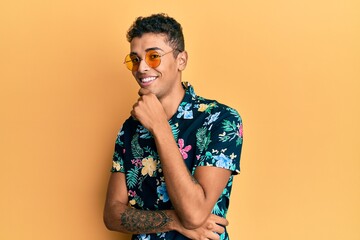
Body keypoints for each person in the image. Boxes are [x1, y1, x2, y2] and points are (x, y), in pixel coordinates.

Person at [104, 13, 243, 240]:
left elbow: (195, 214)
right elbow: (111, 215)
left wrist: (159, 126)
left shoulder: (221, 120)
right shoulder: (130, 128)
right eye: (135, 59)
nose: (142, 68)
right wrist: (173, 221)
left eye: (154, 56)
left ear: (181, 60)